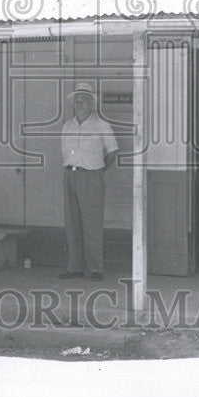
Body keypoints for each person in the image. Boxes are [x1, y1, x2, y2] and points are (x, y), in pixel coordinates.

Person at [60, 83, 119, 282]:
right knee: (72, 223)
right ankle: (74, 267)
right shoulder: (67, 125)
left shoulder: (102, 125)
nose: (80, 104)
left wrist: (100, 170)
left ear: (92, 103)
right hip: (70, 175)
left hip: (92, 176)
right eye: (77, 100)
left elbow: (113, 152)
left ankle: (95, 269)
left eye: (84, 100)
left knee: (92, 223)